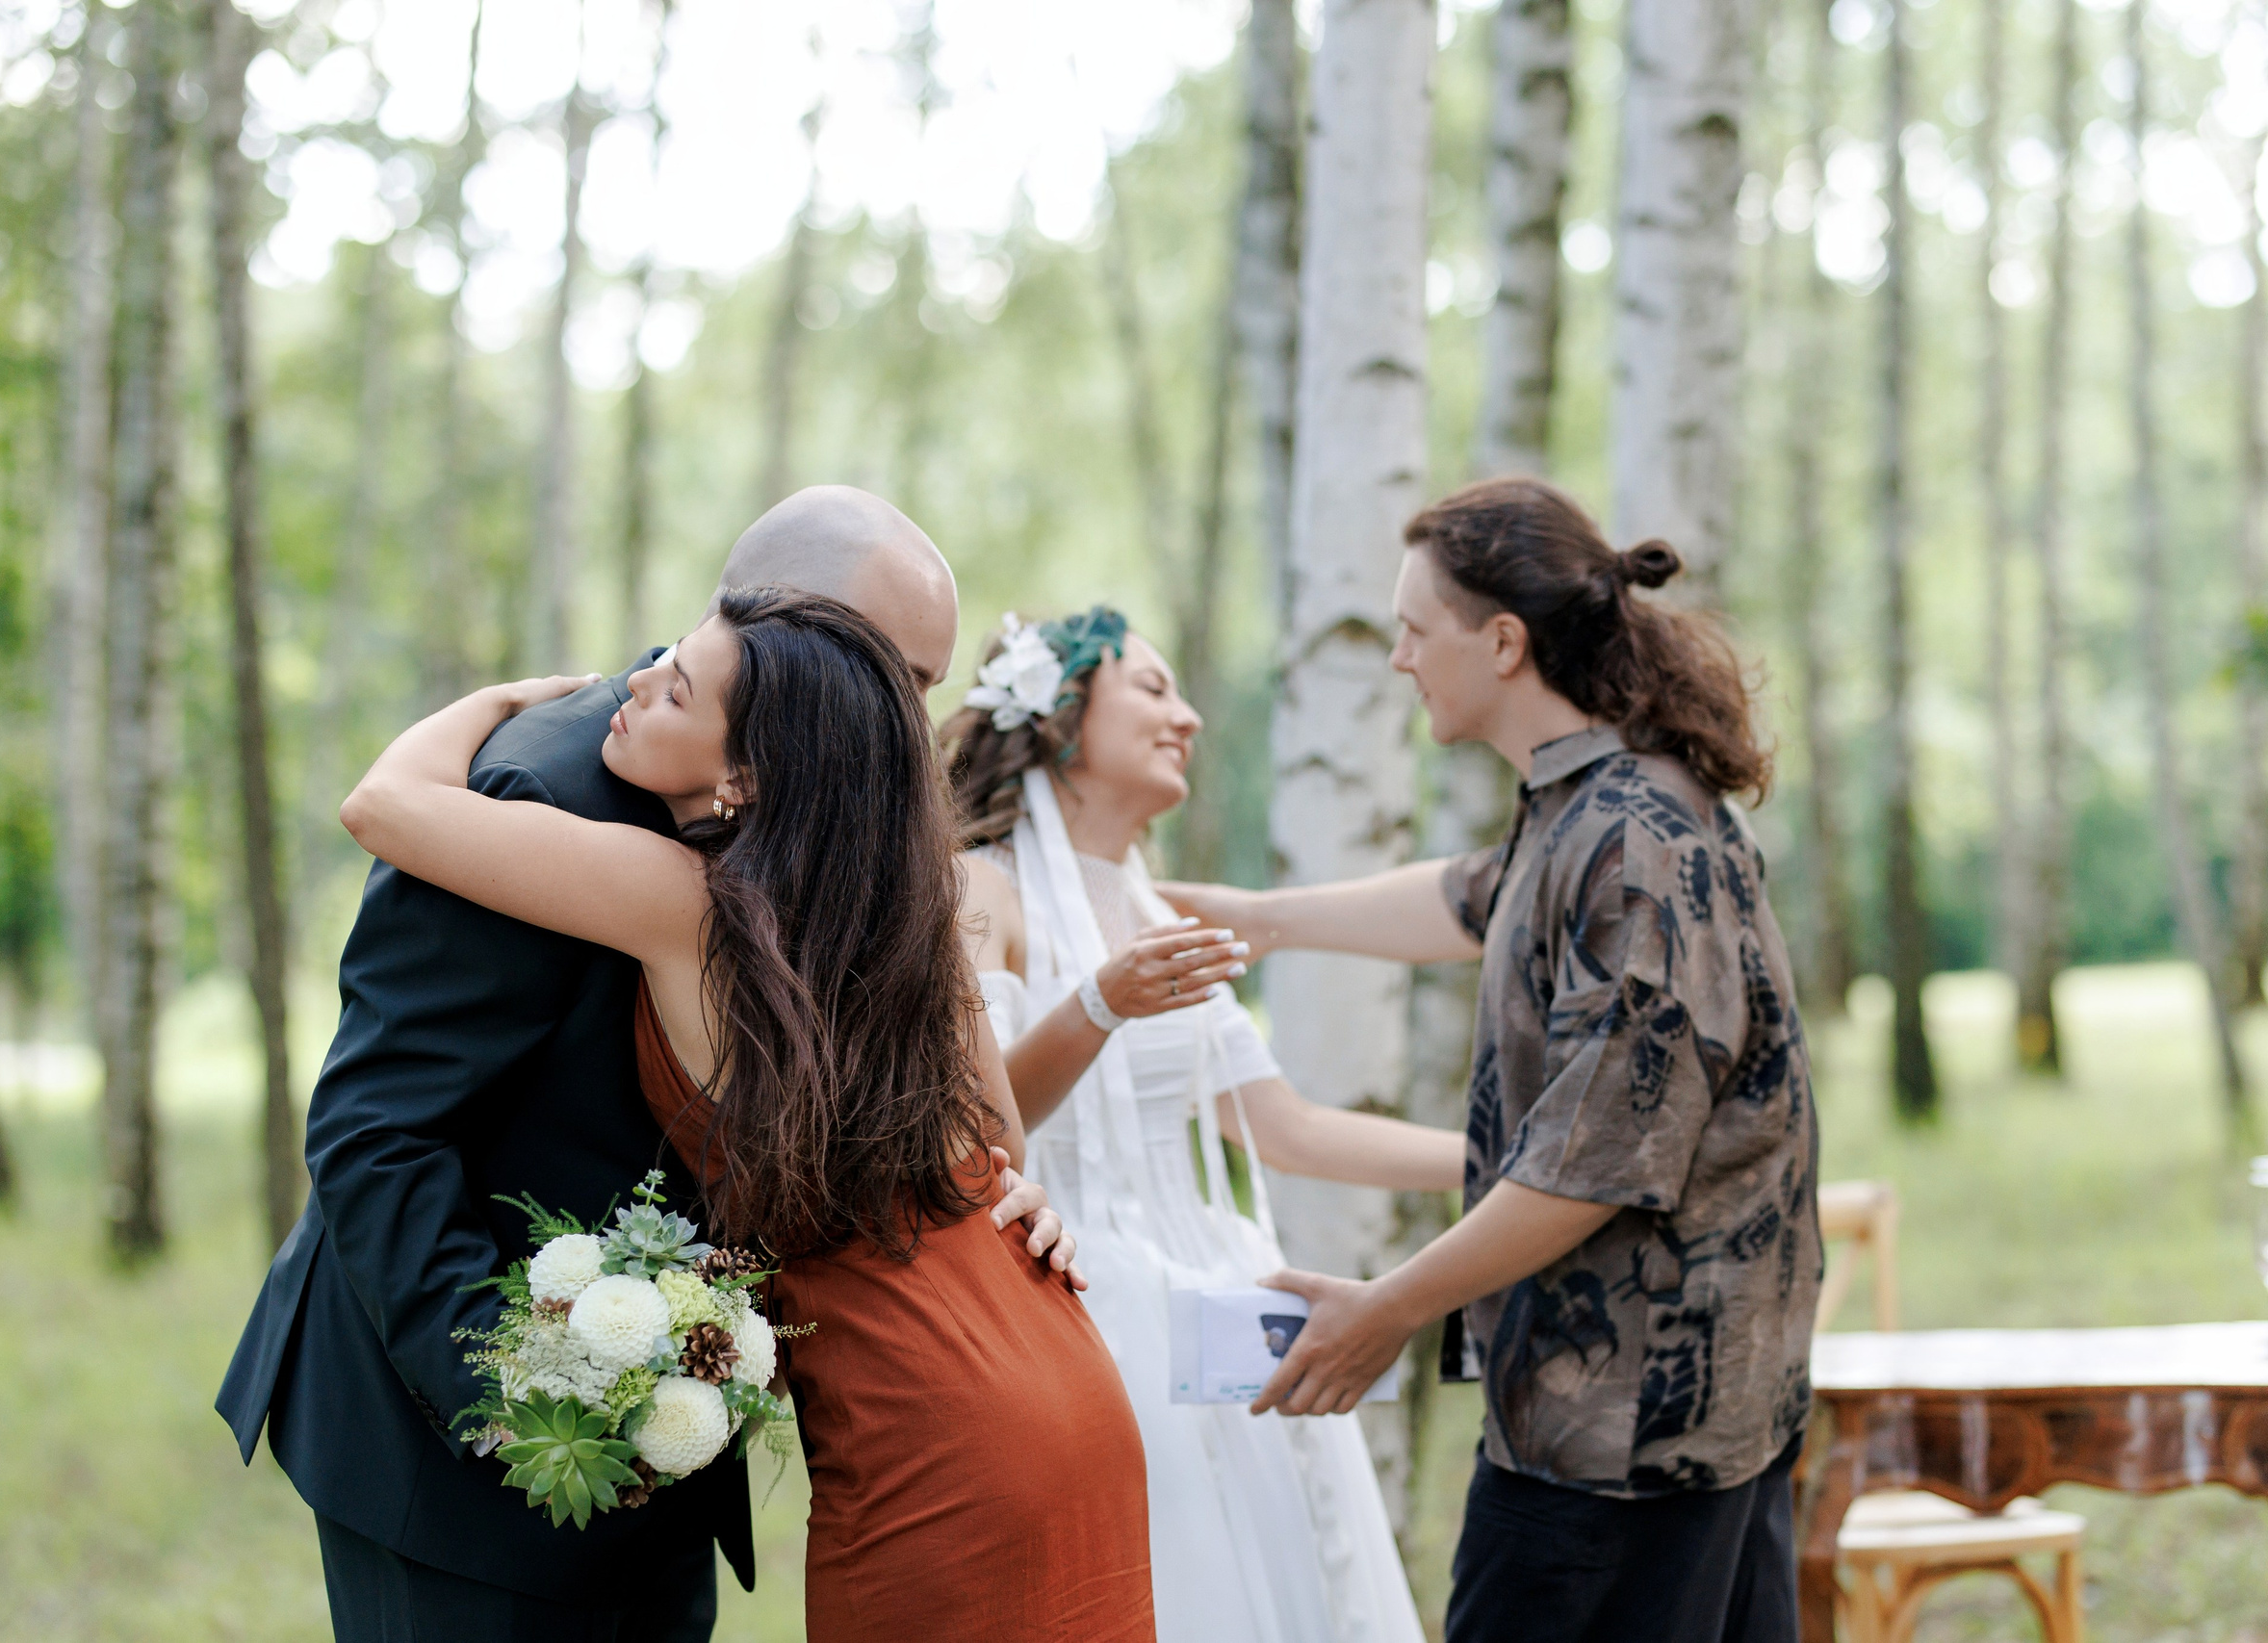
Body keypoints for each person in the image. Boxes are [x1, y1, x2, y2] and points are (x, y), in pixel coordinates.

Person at [216, 488, 1093, 1643]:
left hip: (685, 1440)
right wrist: (513, 1397)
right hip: (456, 1460)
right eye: (901, 675)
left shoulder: (842, 837)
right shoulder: (536, 783)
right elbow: (378, 1129)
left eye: (924, 686)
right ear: (789, 633)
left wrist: (994, 1194)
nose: (906, 719)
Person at [1162, 478, 1822, 1643]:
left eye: (1417, 630)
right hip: (1650, 1412)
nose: (1402, 658)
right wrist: (1257, 917)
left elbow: (1593, 1161)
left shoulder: (1634, 843)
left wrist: (1388, 1307)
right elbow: (1473, 901)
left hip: (1632, 1434)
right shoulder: (1584, 808)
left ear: (1502, 641)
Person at [946, 607, 1459, 1643]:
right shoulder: (973, 891)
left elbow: (1286, 1129)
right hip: (1077, 1298)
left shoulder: (1162, 921)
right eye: (1152, 688)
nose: (1185, 717)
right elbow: (985, 1130)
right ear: (1057, 715)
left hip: (1223, 1296)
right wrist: (1098, 1003)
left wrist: (1510, 1167)